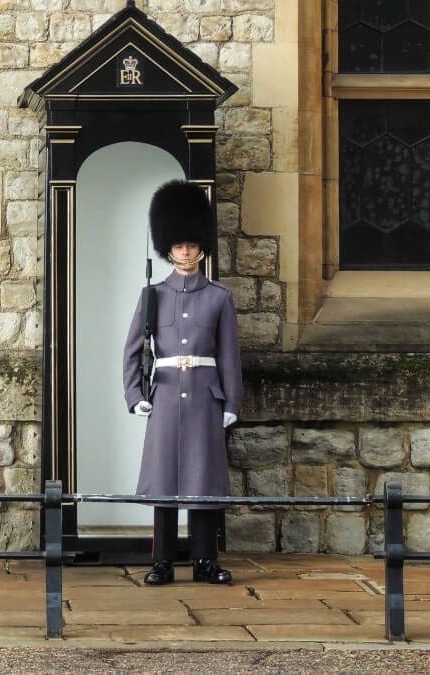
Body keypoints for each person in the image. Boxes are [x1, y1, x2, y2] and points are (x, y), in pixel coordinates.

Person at [122, 180, 242, 586]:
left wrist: (231, 404)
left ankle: (205, 561)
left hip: (207, 397)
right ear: (168, 248)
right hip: (167, 394)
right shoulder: (152, 296)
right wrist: (135, 394)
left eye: (192, 244)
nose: (186, 251)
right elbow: (134, 349)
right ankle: (163, 562)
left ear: (201, 247)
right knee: (165, 482)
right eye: (179, 245)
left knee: (204, 482)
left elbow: (229, 355)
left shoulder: (219, 298)